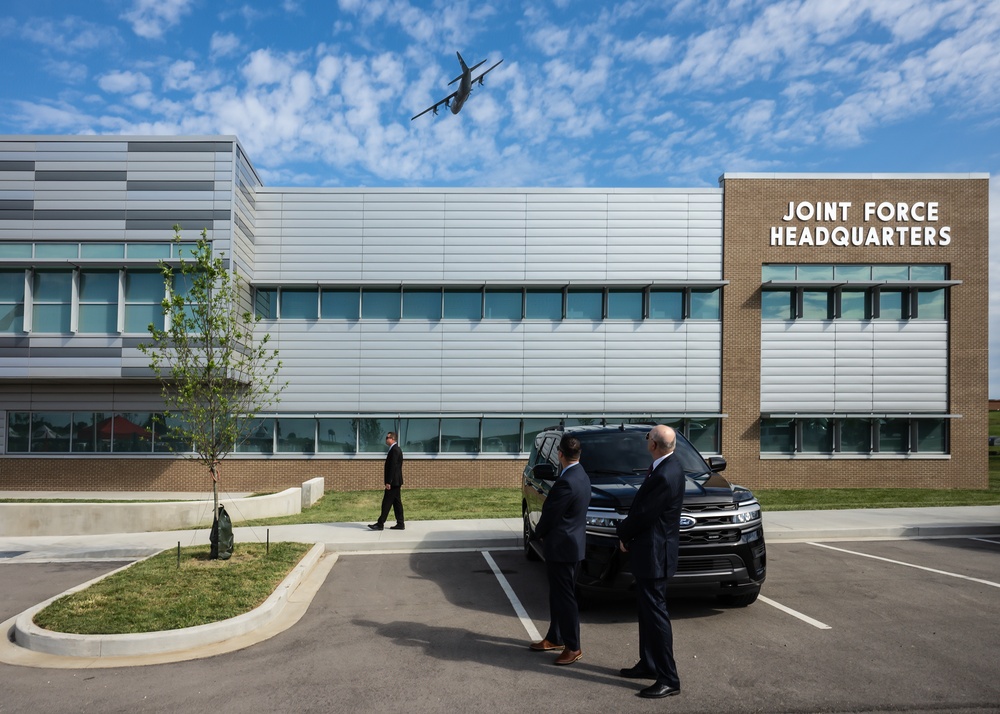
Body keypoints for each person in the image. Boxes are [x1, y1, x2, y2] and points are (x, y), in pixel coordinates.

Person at [616, 424, 685, 699]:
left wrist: (622, 534)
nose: (647, 443)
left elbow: (644, 514)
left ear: (654, 445)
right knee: (646, 612)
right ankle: (649, 663)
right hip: (651, 552)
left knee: (656, 616)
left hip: (655, 555)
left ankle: (669, 677)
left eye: (648, 439)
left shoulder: (664, 475)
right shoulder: (668, 466)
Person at [528, 434, 591, 665]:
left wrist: (538, 533)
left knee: (565, 599)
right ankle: (555, 637)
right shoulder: (581, 475)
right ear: (579, 454)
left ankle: (573, 646)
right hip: (571, 545)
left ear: (560, 454)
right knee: (558, 595)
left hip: (563, 548)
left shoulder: (567, 481)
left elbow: (550, 515)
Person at [368, 431, 404, 531]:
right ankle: (400, 523)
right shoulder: (394, 449)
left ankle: (380, 524)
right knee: (397, 503)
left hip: (393, 482)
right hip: (396, 481)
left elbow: (393, 467)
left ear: (392, 439)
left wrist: (389, 481)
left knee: (386, 503)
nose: (386, 439)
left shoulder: (395, 450)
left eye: (387, 437)